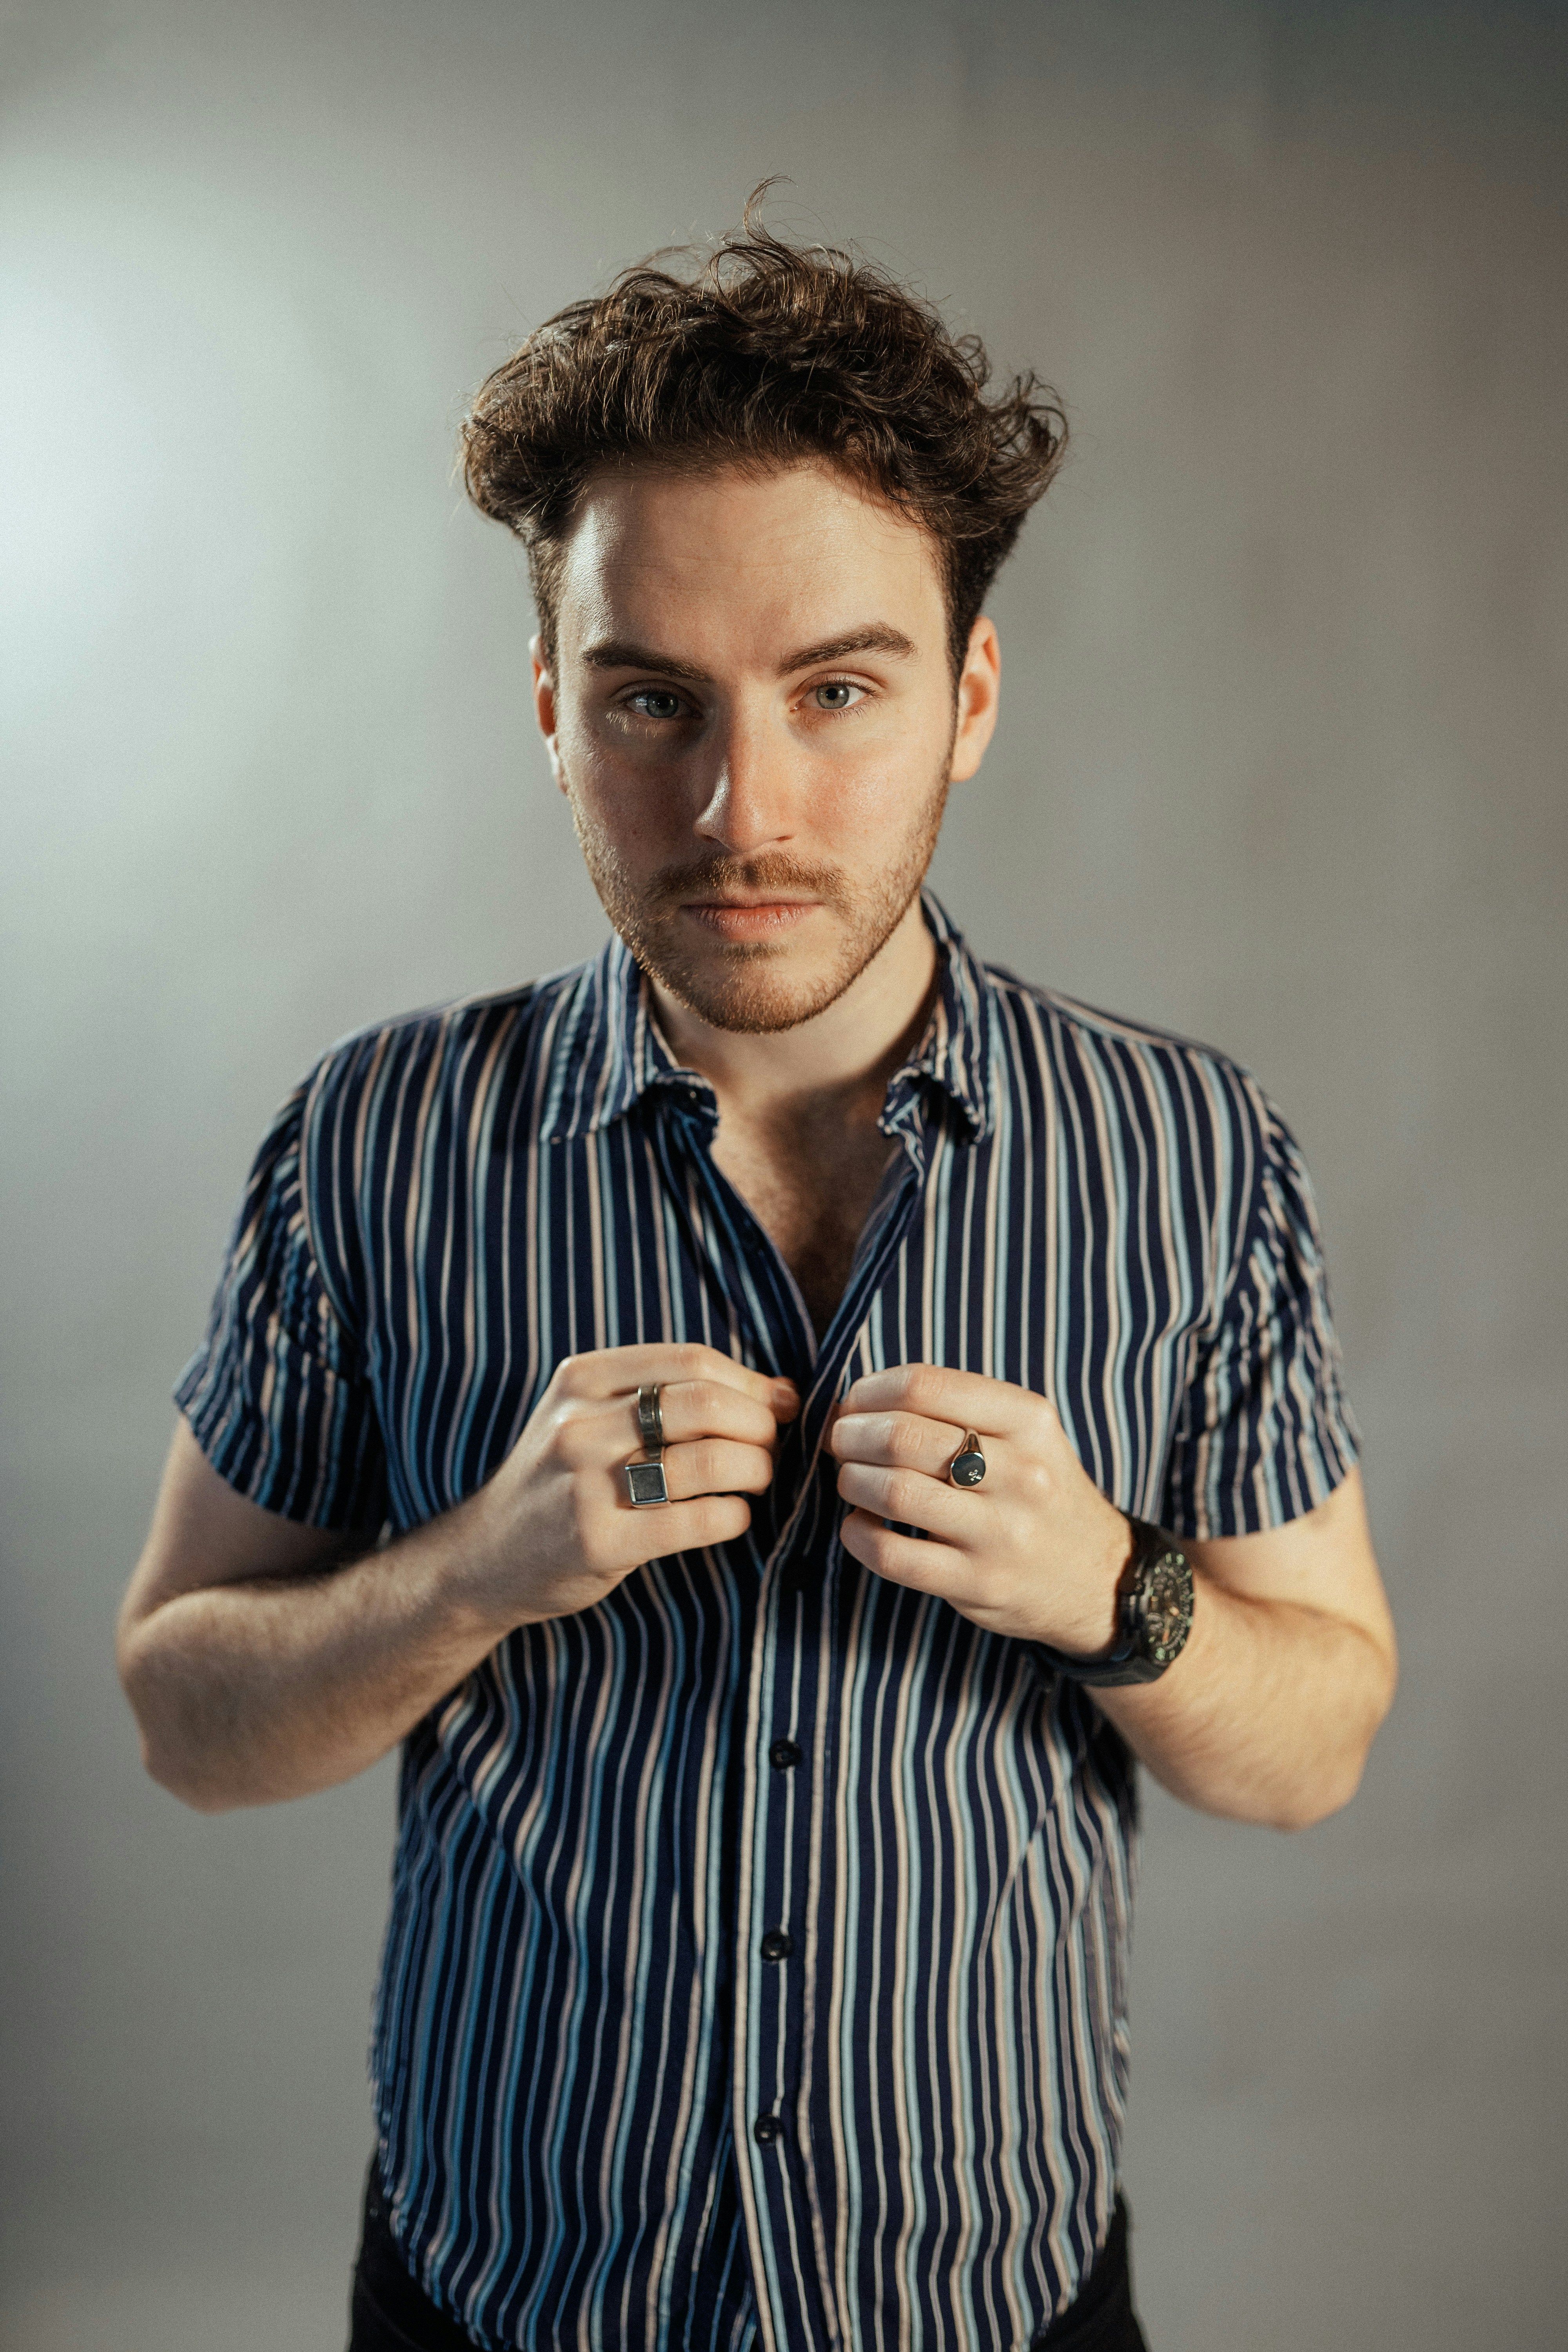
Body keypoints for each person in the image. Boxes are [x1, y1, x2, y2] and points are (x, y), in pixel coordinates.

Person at [117, 203, 1397, 2352]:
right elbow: (183, 1712)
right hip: (498, 2291)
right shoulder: (374, 1141)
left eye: (838, 692)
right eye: (650, 701)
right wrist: (466, 1572)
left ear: (969, 695)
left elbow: (1321, 1734)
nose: (743, 807)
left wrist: (1112, 1586)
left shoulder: (1191, 1151)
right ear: (549, 706)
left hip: (997, 2301)